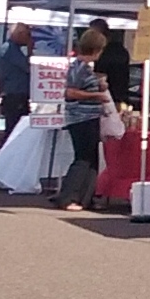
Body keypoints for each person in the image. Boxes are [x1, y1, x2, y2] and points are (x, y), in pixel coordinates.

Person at [55, 28, 112, 211]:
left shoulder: (85, 68)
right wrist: (96, 95)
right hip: (81, 118)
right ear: (96, 50)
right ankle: (67, 197)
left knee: (92, 158)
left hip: (89, 117)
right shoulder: (79, 67)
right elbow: (70, 92)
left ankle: (86, 197)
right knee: (82, 158)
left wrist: (99, 84)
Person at [0, 23, 33, 136]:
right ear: (20, 34)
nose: (29, 38)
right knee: (15, 130)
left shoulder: (13, 49)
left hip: (17, 95)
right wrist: (30, 49)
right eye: (28, 35)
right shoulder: (9, 49)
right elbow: (28, 67)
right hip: (15, 95)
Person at [90, 18, 134, 110]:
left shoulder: (106, 52)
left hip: (110, 97)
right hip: (119, 96)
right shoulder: (120, 50)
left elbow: (100, 75)